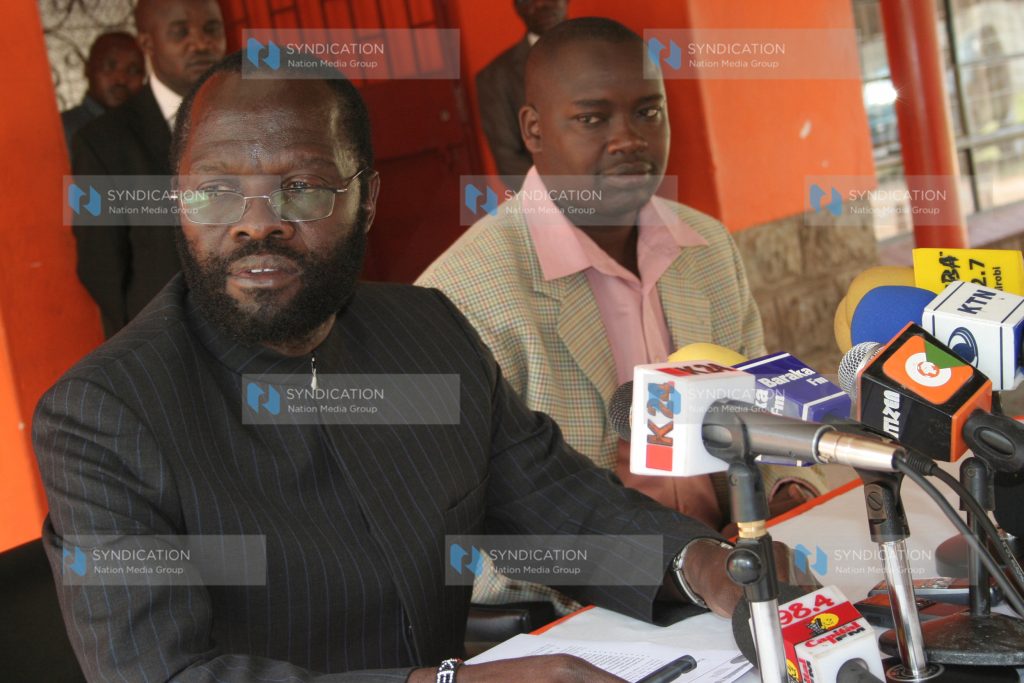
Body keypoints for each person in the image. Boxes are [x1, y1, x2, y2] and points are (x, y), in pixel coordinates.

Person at [34, 52, 808, 682]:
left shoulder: (426, 330)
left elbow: (561, 507)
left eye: (301, 186)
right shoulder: (106, 416)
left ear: (367, 198)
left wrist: (702, 561)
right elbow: (164, 675)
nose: (257, 221)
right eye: (215, 190)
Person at [419, 18, 827, 610]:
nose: (629, 139)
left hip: (735, 574)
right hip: (583, 609)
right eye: (592, 118)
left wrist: (785, 493)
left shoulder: (707, 248)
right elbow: (460, 546)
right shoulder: (464, 296)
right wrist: (676, 567)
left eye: (648, 112)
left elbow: (763, 415)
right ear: (533, 130)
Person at [70, 0, 225, 337]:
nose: (200, 44)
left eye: (212, 29)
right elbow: (100, 268)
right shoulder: (100, 142)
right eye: (180, 32)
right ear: (147, 44)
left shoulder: (259, 115)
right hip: (169, 343)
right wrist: (151, 336)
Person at [476, 0, 567, 178]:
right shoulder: (494, 77)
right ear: (517, 8)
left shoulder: (613, 50)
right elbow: (508, 161)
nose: (542, 4)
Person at [60, 32, 145, 152]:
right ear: (87, 70)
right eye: (109, 67)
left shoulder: (152, 129)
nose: (121, 79)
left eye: (133, 70)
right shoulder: (62, 131)